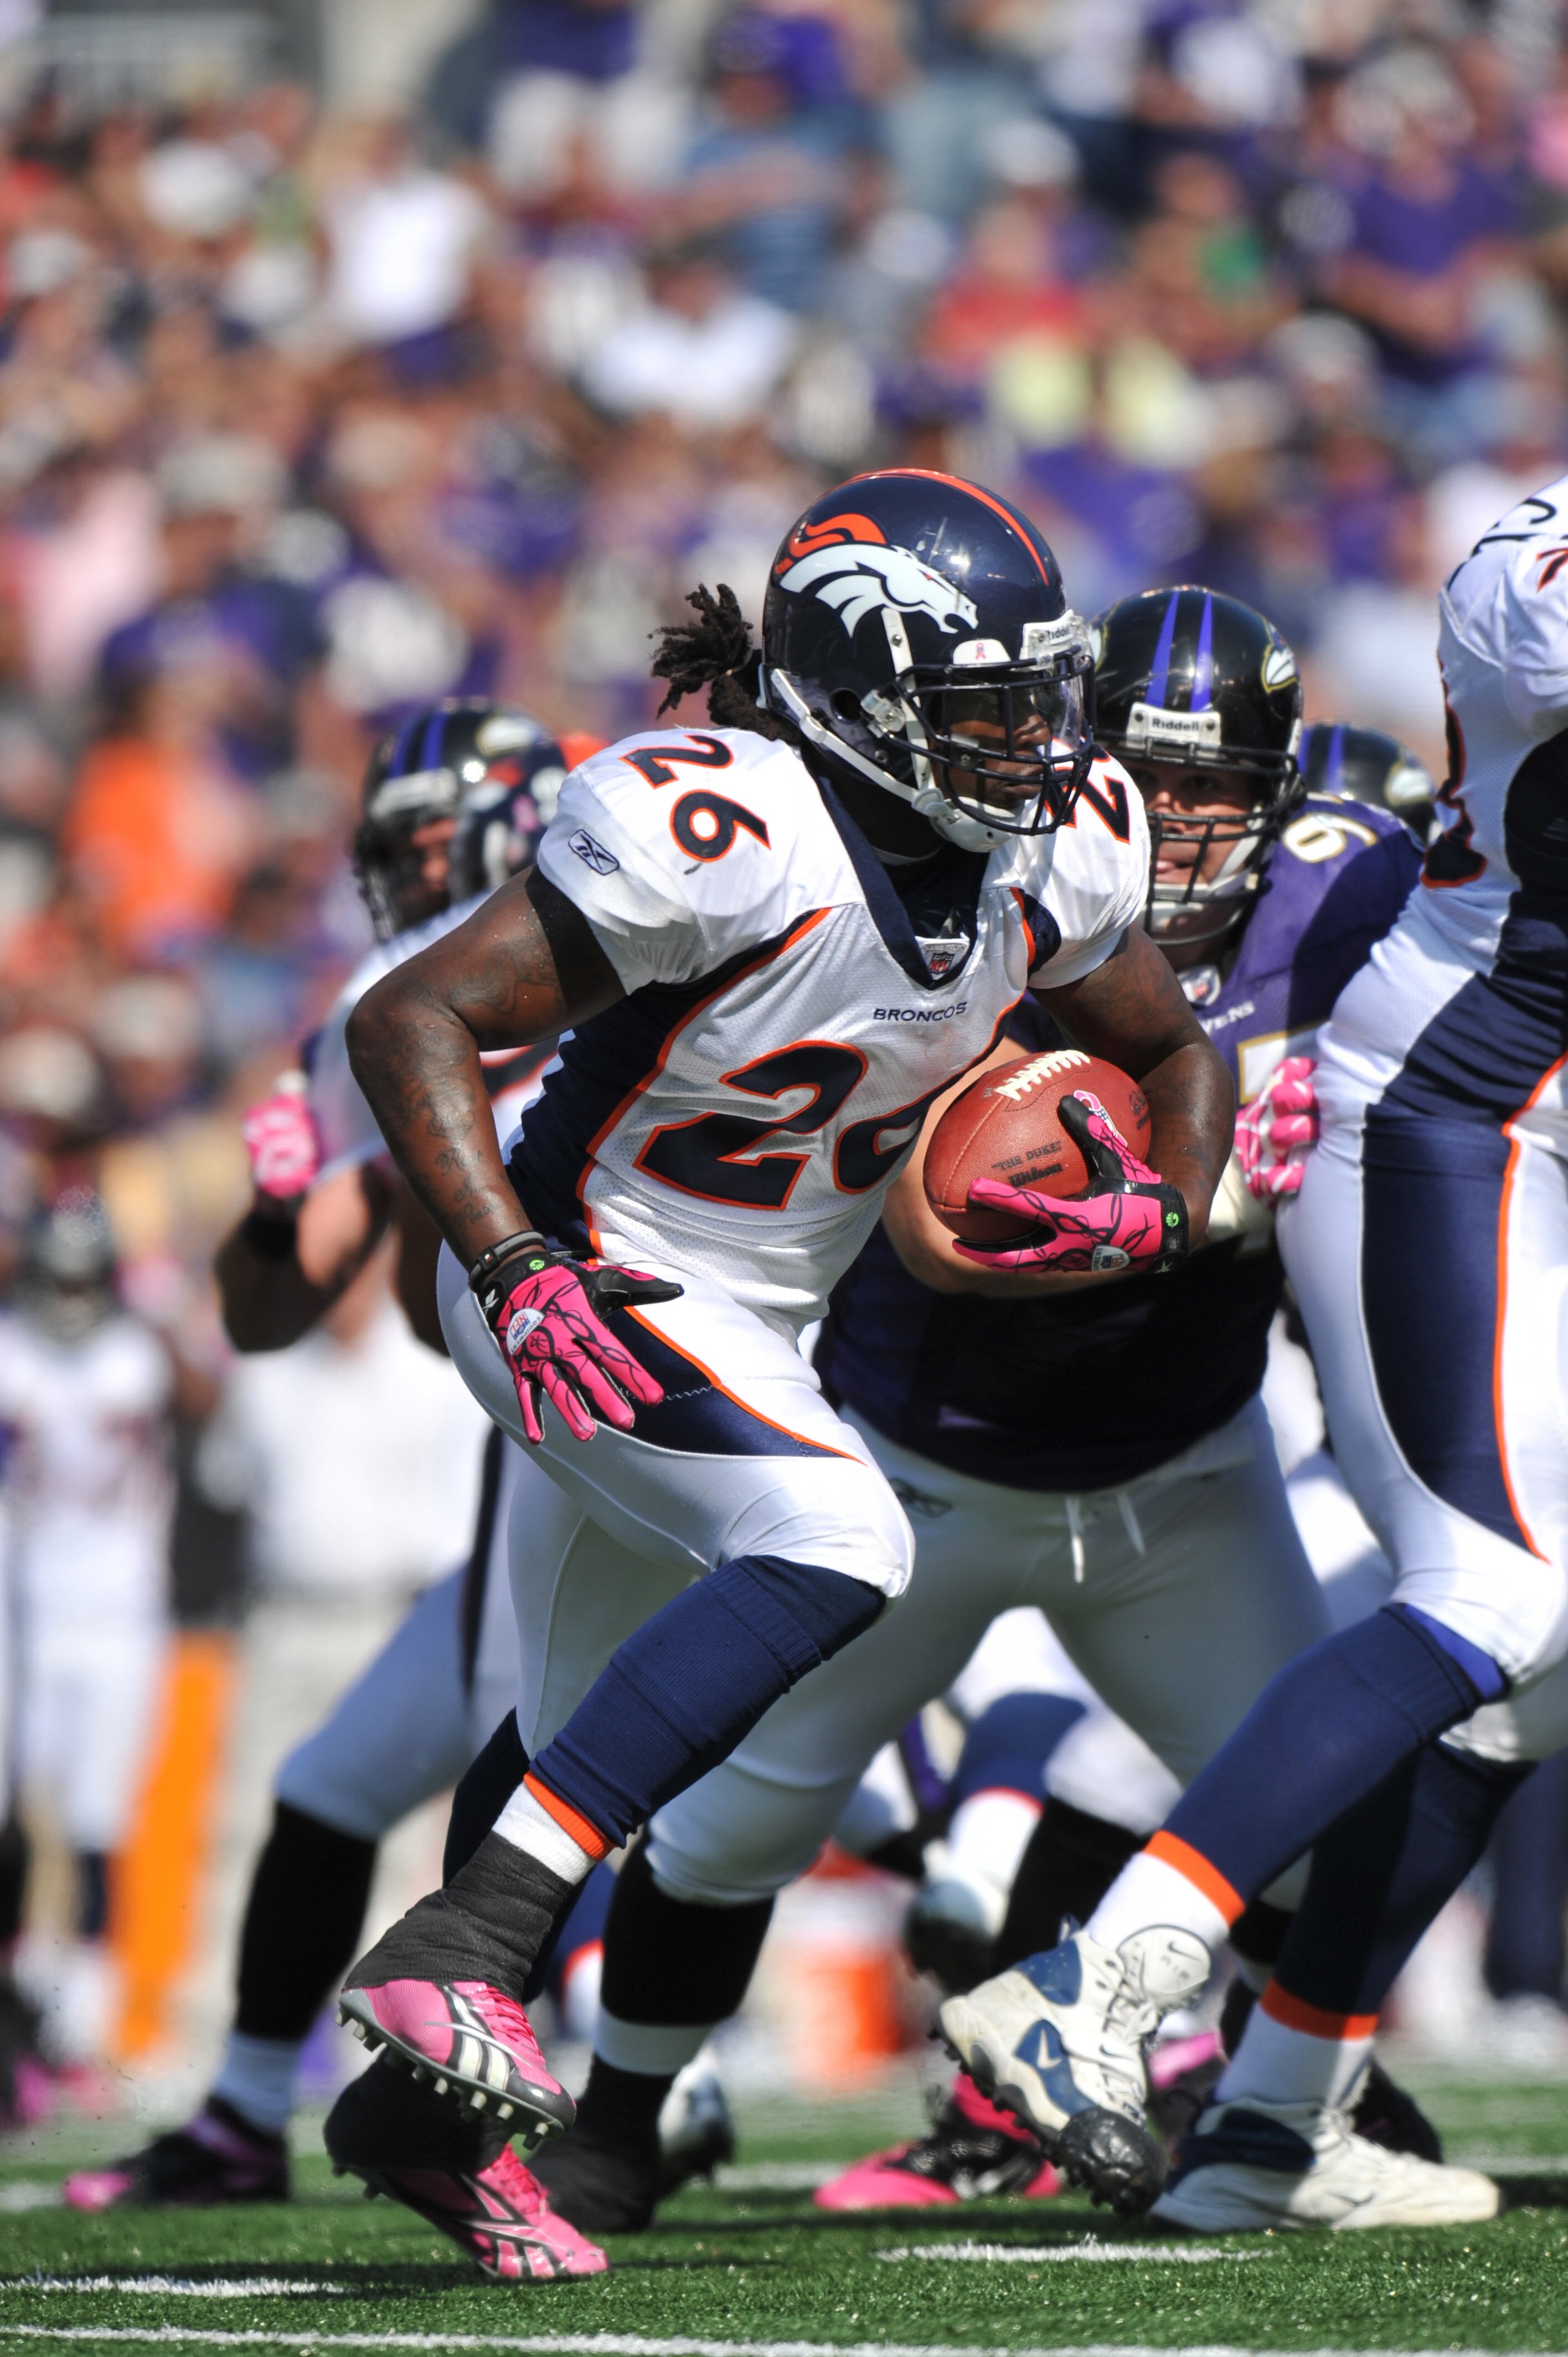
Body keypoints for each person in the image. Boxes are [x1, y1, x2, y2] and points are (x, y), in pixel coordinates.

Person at [322, 472, 1232, 2219]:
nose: (1032, 746)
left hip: (756, 1312)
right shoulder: (729, 822)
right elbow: (408, 1017)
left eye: (1037, 697)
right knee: (839, 1536)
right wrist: (512, 1268)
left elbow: (1181, 1054)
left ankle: (420, 2122)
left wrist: (1165, 1213)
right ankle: (472, 1938)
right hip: (586, 1272)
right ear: (861, 697)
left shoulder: (1048, 849)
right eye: (981, 707)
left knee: (573, 1713)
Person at [518, 596, 1476, 2235]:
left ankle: (1278, 2112)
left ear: (1280, 786)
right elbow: (939, 1233)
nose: (1176, 830)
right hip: (922, 1474)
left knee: (1335, 1835)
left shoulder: (1344, 890)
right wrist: (1217, 1200)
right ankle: (620, 2125)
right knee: (737, 1826)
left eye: (1216, 794)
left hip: (1188, 1475)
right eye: (1150, 787)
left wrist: (1338, 1143)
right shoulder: (1007, 873)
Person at [942, 477, 1568, 2221]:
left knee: (1543, 1680)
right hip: (1473, 1103)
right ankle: (1101, 1984)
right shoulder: (1538, 558)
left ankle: (1274, 2123)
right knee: (1499, 1592)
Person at [63, 701, 608, 2286]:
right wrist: (278, 1198)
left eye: (430, 844)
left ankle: (565, 2112)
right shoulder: (407, 1000)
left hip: (626, 1433)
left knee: (603, 1779)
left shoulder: (630, 946)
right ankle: (247, 2114)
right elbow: (265, 1309)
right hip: (529, 1459)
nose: (407, 882)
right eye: (398, 857)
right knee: (334, 1788)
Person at [0, 1190, 172, 2079]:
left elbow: (202, 1396)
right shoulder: (14, 1350)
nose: (69, 1294)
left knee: (102, 1819)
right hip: (24, 1611)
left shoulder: (136, 1353)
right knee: (21, 1821)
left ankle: (84, 2024)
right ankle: (29, 2013)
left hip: (119, 1610)